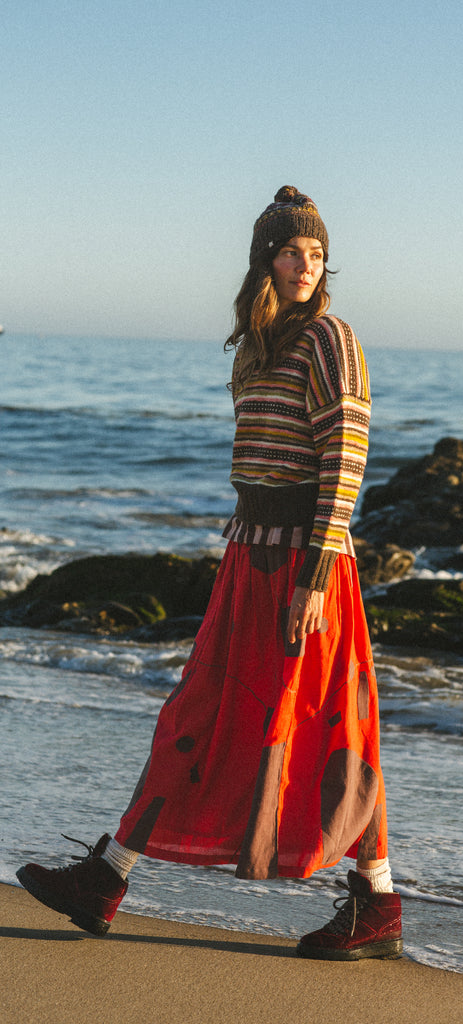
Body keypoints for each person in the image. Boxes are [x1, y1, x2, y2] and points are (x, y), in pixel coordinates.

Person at [16, 186, 402, 962]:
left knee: (337, 730)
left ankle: (376, 902)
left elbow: (346, 460)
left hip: (304, 563)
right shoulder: (260, 345)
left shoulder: (330, 337)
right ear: (265, 257)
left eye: (316, 253)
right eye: (292, 251)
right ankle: (108, 877)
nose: (304, 265)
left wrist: (316, 573)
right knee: (197, 715)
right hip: (249, 556)